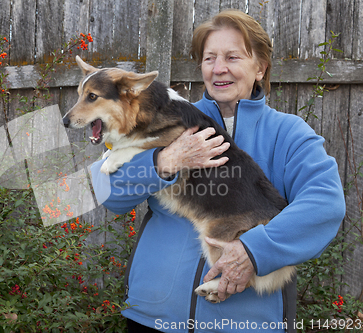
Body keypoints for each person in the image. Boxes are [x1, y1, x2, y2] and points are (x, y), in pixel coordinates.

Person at [90, 9, 345, 333]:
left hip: (243, 324)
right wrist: (162, 162)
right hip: (153, 318)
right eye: (209, 58)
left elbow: (326, 205)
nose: (219, 68)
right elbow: (108, 194)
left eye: (232, 57)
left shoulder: (288, 134)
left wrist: (253, 252)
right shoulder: (166, 118)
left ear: (260, 67)